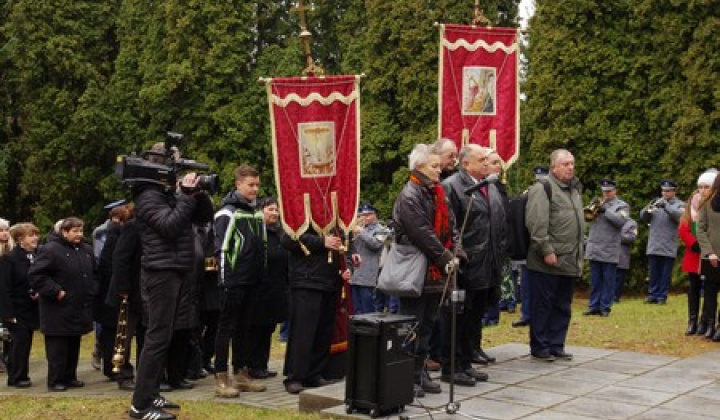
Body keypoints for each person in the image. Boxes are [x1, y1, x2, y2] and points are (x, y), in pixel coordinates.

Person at [128, 143, 214, 420]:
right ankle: (140, 406)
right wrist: (186, 197)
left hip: (175, 269)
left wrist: (196, 194)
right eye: (173, 163)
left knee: (162, 337)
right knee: (157, 338)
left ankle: (150, 394)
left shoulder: (166, 194)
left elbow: (202, 218)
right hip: (160, 271)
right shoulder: (147, 196)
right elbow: (169, 226)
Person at [393, 143, 458, 397]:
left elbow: (450, 224)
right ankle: (406, 376)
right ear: (419, 167)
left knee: (428, 323)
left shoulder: (437, 193)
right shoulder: (410, 194)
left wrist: (457, 249)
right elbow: (421, 232)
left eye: (439, 167)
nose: (439, 171)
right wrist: (444, 256)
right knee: (412, 325)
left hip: (434, 271)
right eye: (434, 166)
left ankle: (420, 372)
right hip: (416, 269)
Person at [441, 144, 506, 386]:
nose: (487, 164)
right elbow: (450, 226)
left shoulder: (488, 185)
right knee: (458, 317)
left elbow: (498, 222)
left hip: (487, 263)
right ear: (466, 163)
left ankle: (466, 363)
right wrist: (458, 255)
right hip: (465, 264)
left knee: (474, 317)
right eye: (481, 160)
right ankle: (452, 366)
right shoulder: (453, 186)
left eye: (487, 160)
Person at [212, 164, 266, 397]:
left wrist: (260, 275)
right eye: (250, 185)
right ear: (238, 184)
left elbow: (262, 247)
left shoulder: (256, 213)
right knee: (226, 328)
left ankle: (242, 374)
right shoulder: (226, 213)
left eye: (257, 185)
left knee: (245, 328)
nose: (255, 189)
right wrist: (226, 280)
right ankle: (221, 377)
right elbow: (222, 250)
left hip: (252, 281)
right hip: (233, 281)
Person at [525, 149, 584, 361]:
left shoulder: (573, 190)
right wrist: (546, 250)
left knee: (562, 305)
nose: (570, 168)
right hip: (548, 261)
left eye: (572, 163)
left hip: (569, 258)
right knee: (543, 305)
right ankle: (540, 346)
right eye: (566, 164)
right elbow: (536, 223)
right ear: (554, 167)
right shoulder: (543, 188)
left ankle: (556, 344)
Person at [28, 217, 98, 391]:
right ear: (64, 232)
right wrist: (55, 290)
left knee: (74, 343)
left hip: (78, 306)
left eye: (81, 231)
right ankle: (56, 380)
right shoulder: (50, 250)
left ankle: (70, 376)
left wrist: (92, 289)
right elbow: (36, 275)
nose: (79, 235)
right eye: (75, 231)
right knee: (58, 347)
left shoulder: (86, 250)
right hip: (57, 308)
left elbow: (95, 273)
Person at [281, 226, 350, 394]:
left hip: (330, 280)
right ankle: (295, 376)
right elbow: (287, 239)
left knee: (323, 331)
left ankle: (314, 373)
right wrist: (322, 242)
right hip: (307, 279)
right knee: (303, 332)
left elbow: (341, 242)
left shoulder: (334, 214)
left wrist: (347, 260)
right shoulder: (299, 211)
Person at [245, 197, 288, 379]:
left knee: (268, 330)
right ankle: (252, 365)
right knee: (256, 330)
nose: (274, 213)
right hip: (259, 290)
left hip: (276, 289)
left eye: (276, 210)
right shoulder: (256, 231)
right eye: (270, 209)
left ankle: (262, 364)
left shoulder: (279, 233)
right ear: (261, 210)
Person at [0, 223, 39, 387]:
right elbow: (4, 288)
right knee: (18, 343)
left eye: (36, 234)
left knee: (26, 342)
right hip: (16, 308)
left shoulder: (36, 256)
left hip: (31, 307)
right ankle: (15, 376)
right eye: (31, 235)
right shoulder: (9, 259)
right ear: (20, 239)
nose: (35, 238)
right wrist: (8, 313)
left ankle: (23, 374)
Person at [583, 179, 630, 317]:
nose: (606, 194)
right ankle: (593, 306)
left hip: (609, 248)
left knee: (608, 281)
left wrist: (606, 211)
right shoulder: (597, 204)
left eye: (609, 191)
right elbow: (585, 217)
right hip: (595, 247)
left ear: (615, 191)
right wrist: (593, 206)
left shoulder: (622, 206)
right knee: (595, 280)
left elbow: (620, 221)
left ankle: (605, 307)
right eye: (604, 191)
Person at [511, 165, 549, 328]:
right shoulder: (529, 193)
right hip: (530, 244)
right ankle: (526, 314)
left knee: (544, 285)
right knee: (527, 283)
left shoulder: (553, 192)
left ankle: (541, 315)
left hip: (547, 243)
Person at [640, 180, 685, 304]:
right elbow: (643, 217)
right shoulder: (657, 203)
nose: (665, 193)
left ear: (674, 191)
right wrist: (647, 209)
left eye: (668, 191)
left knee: (665, 273)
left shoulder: (680, 204)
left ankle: (662, 296)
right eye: (663, 191)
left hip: (668, 244)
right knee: (653, 271)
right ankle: (652, 295)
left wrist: (666, 206)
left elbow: (680, 217)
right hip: (654, 242)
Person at [349, 202, 385, 315]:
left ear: (375, 215)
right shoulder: (357, 229)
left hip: (368, 276)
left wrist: (361, 231)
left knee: (368, 310)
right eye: (362, 215)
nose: (364, 218)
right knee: (356, 309)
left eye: (368, 215)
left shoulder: (382, 230)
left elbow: (376, 244)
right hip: (354, 274)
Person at [614, 217, 638, 303]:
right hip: (608, 254)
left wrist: (615, 234)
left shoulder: (632, 223)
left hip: (622, 256)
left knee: (619, 278)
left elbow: (632, 238)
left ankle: (615, 297)